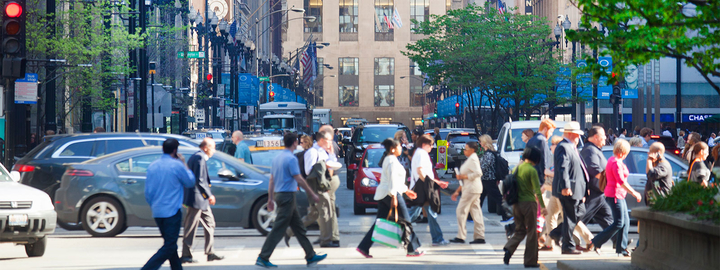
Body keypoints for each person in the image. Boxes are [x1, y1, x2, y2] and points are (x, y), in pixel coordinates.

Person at [256, 133, 326, 268]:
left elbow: (271, 180)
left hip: (280, 195)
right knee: (278, 228)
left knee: (299, 227)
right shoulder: (291, 159)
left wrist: (270, 198)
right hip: (287, 196)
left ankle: (310, 255)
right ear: (294, 142)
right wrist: (312, 193)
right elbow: (299, 178)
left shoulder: (277, 158)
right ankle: (263, 256)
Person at [356, 139, 423, 258]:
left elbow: (395, 180)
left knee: (379, 222)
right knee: (406, 220)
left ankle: (363, 247)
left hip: (387, 194)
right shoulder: (391, 160)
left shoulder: (391, 159)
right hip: (391, 194)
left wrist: (406, 190)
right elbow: (392, 180)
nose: (401, 148)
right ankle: (412, 248)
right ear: (393, 149)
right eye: (399, 147)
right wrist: (394, 197)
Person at [142, 139, 195, 270]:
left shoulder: (153, 166)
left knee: (170, 244)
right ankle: (148, 268)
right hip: (172, 211)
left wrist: (153, 204)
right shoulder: (177, 166)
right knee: (170, 245)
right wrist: (184, 163)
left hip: (157, 210)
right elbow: (190, 182)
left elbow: (148, 192)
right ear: (175, 151)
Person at [590, 139, 642, 257]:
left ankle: (621, 248)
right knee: (619, 223)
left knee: (625, 222)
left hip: (618, 194)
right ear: (623, 152)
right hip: (614, 194)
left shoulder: (614, 160)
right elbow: (621, 181)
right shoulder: (616, 163)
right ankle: (596, 241)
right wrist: (634, 193)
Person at [181, 138, 224, 263]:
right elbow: (199, 180)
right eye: (213, 148)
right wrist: (209, 195)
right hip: (197, 198)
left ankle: (210, 252)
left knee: (210, 223)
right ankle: (186, 255)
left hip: (200, 199)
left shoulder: (199, 157)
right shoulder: (199, 158)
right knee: (191, 226)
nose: (214, 151)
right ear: (206, 147)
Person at [293, 131, 339, 248]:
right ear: (322, 140)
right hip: (318, 185)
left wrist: (330, 163)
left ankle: (328, 237)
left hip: (324, 183)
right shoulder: (313, 152)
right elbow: (309, 171)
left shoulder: (323, 151)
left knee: (316, 213)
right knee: (323, 212)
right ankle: (327, 239)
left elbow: (333, 163)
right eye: (328, 140)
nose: (330, 143)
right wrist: (323, 168)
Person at [503, 147, 546, 268]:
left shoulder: (518, 168)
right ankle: (530, 261)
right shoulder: (531, 170)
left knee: (520, 230)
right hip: (529, 203)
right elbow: (537, 191)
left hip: (516, 203)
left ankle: (509, 248)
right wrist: (543, 207)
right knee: (532, 232)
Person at [552, 121, 589, 255]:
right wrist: (565, 186)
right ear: (571, 134)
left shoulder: (571, 146)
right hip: (569, 189)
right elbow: (563, 168)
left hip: (576, 189)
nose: (579, 138)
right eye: (577, 135)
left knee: (578, 213)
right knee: (570, 216)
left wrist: (585, 188)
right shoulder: (564, 147)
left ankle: (557, 233)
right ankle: (567, 245)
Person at [409, 134, 450, 246]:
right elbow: (421, 171)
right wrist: (430, 184)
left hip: (421, 186)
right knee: (416, 213)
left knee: (424, 213)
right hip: (423, 187)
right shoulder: (422, 154)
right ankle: (396, 230)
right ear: (424, 144)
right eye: (430, 145)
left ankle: (437, 238)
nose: (432, 147)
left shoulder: (418, 152)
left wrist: (436, 182)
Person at [578, 126, 613, 241]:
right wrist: (610, 179)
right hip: (592, 192)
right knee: (579, 219)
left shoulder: (595, 149)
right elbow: (594, 169)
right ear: (596, 137)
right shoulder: (589, 150)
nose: (605, 138)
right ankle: (556, 236)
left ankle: (618, 240)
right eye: (603, 136)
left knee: (608, 218)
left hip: (600, 192)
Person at [449, 142, 486, 244]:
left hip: (471, 189)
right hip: (471, 188)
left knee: (461, 211)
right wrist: (457, 191)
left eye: (466, 149)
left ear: (472, 150)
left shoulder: (473, 158)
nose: (464, 151)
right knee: (476, 212)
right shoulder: (471, 158)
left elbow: (478, 173)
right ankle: (479, 236)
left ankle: (461, 236)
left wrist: (463, 176)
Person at [478, 135, 511, 221]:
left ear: (485, 143)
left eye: (481, 141)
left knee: (498, 198)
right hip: (486, 179)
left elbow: (484, 167)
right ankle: (472, 216)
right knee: (479, 199)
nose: (480, 143)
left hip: (489, 180)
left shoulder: (489, 154)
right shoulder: (488, 153)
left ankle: (507, 215)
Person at [526, 119, 556, 186]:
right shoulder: (542, 141)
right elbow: (544, 162)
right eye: (551, 132)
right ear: (545, 129)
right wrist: (544, 181)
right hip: (539, 180)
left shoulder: (531, 140)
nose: (551, 134)